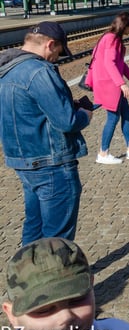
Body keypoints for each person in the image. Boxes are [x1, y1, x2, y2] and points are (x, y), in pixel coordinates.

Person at [0, 22, 91, 245]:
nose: (57, 58)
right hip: (51, 163)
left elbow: (26, 110)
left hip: (22, 161)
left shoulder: (7, 69)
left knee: (34, 227)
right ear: (50, 44)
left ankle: (28, 276)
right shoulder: (40, 72)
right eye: (59, 52)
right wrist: (85, 114)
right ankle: (56, 278)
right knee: (57, 238)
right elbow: (67, 121)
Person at [1, 237, 129, 330]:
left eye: (77, 300)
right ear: (12, 315)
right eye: (44, 310)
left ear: (91, 287)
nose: (66, 317)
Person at [87, 12, 129, 165]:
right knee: (113, 117)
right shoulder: (111, 39)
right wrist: (121, 84)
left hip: (109, 81)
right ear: (125, 26)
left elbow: (120, 63)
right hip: (108, 83)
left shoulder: (110, 37)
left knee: (126, 113)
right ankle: (103, 153)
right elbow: (110, 64)